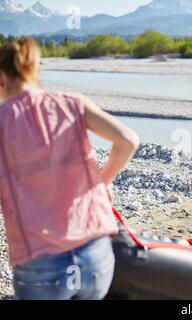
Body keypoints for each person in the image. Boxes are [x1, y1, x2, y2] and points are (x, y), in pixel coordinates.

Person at [0, 37, 140, 300]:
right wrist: (103, 180)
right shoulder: (73, 103)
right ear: (33, 71)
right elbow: (128, 140)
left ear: (1, 79)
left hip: (40, 264)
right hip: (94, 254)